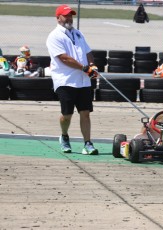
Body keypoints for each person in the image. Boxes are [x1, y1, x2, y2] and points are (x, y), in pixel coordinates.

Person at [46, 4, 99, 155]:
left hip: (83, 80)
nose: (69, 18)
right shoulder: (54, 36)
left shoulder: (78, 33)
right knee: (67, 115)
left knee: (85, 112)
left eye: (71, 15)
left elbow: (88, 52)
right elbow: (63, 58)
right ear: (58, 18)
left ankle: (87, 143)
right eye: (66, 15)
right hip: (65, 80)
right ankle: (64, 136)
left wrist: (92, 65)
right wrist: (84, 68)